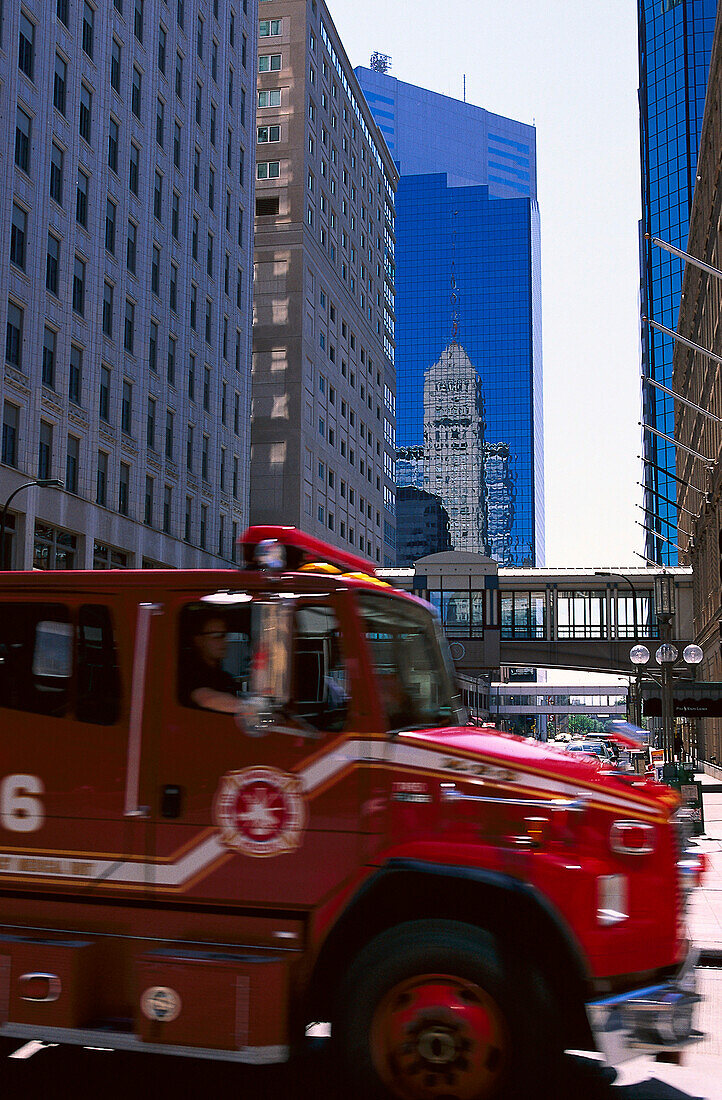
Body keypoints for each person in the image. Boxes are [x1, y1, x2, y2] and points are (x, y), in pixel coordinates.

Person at [186, 615, 245, 714]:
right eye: (217, 635)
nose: (224, 641)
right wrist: (253, 709)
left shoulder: (224, 677)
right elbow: (206, 698)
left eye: (225, 635)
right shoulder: (189, 673)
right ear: (199, 640)